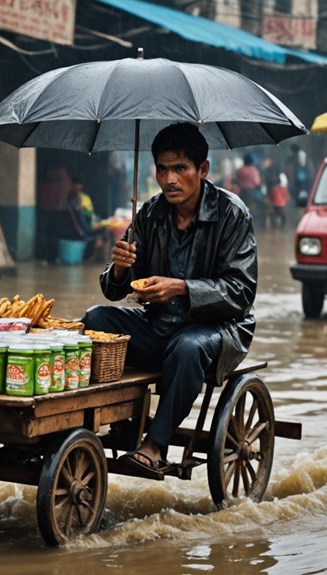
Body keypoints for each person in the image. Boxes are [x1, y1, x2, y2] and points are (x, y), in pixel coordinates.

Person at [82, 123, 257, 473]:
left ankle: (155, 445)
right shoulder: (149, 213)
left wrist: (180, 287)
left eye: (180, 169)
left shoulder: (231, 213)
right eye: (162, 169)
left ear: (202, 170)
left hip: (218, 329)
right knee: (95, 320)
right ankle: (115, 419)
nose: (170, 179)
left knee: (188, 347)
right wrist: (120, 268)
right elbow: (115, 290)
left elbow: (241, 291)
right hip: (159, 323)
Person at [67, 178, 108, 261]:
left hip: (89, 222)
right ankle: (96, 256)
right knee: (104, 232)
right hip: (85, 227)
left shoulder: (84, 197)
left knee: (104, 228)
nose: (78, 186)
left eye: (79, 184)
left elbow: (90, 212)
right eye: (76, 184)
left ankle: (99, 256)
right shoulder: (73, 198)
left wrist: (93, 219)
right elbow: (84, 218)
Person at [235, 153, 263, 223]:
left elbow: (237, 181)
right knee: (251, 209)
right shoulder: (254, 170)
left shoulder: (239, 170)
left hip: (242, 192)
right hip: (251, 192)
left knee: (243, 208)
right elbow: (257, 182)